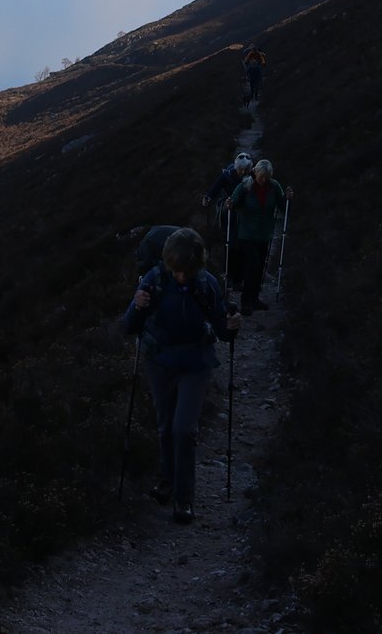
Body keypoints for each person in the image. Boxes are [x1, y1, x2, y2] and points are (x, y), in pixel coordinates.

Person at [120, 227, 239, 524]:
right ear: (168, 263)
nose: (182, 277)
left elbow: (223, 332)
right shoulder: (155, 280)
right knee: (166, 427)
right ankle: (167, 480)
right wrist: (137, 306)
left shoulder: (206, 284)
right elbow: (127, 326)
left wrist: (232, 324)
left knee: (184, 429)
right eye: (178, 271)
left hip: (195, 363)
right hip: (160, 362)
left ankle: (183, 499)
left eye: (188, 271)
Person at [226, 159, 288, 312]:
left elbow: (283, 207)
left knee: (260, 267)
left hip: (264, 235)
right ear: (255, 173)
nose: (264, 180)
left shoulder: (274, 187)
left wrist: (287, 199)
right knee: (253, 264)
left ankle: (254, 299)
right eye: (261, 176)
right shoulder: (245, 186)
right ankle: (246, 301)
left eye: (267, 176)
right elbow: (234, 201)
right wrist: (230, 204)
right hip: (246, 234)